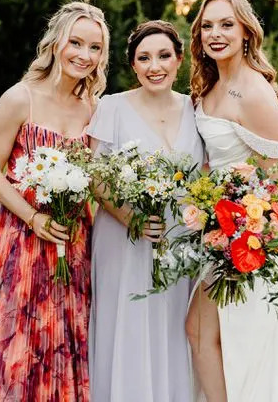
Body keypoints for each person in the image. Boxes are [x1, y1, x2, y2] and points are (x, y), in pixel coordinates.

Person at [185, 0, 278, 402]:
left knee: (243, 339)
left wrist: (244, 238)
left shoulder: (252, 92)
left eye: (226, 25)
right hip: (219, 229)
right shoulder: (211, 84)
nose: (216, 34)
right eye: (208, 26)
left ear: (246, 31)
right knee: (208, 334)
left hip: (247, 241)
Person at [0, 1, 110, 401]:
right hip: (22, 242)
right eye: (76, 43)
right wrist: (33, 218)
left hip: (73, 243)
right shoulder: (21, 98)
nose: (84, 56)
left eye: (95, 48)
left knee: (68, 336)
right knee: (23, 339)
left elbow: (100, 184)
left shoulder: (94, 109)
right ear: (56, 43)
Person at [86, 20, 205, 402]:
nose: (155, 66)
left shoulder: (195, 107)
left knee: (174, 327)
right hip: (125, 238)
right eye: (144, 58)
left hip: (179, 242)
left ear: (179, 59)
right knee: (130, 322)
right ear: (133, 65)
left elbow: (202, 176)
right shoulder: (112, 107)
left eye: (164, 56)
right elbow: (96, 178)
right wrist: (132, 218)